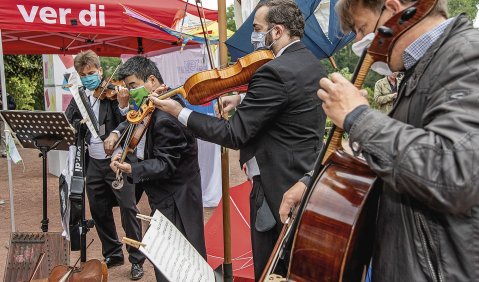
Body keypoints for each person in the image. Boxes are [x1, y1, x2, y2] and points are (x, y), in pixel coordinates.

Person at [280, 0, 479, 280]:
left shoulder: (467, 54)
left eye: (362, 28)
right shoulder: (422, 68)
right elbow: (406, 157)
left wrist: (358, 117)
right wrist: (314, 183)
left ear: (393, 8)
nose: (360, 42)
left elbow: (456, 173)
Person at [149, 0, 328, 279]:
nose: (254, 36)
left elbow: (233, 134)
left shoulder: (273, 71)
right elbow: (289, 103)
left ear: (277, 31)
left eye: (257, 29)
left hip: (273, 186)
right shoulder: (311, 65)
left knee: (270, 270)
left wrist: (180, 112)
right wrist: (242, 97)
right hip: (302, 176)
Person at [106, 56, 206, 282]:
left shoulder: (167, 116)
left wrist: (131, 168)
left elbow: (165, 164)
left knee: (180, 264)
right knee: (168, 262)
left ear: (151, 80)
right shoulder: (155, 102)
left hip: (176, 198)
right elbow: (133, 121)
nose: (130, 93)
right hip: (165, 196)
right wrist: (118, 137)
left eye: (133, 86)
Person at [65, 50, 145, 280]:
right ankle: (113, 253)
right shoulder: (80, 96)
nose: (88, 77)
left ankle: (137, 259)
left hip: (118, 161)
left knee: (129, 210)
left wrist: (122, 105)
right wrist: (75, 125)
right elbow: (69, 120)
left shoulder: (115, 93)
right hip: (95, 163)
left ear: (100, 71)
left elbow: (131, 119)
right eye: (83, 74)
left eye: (91, 73)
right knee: (99, 210)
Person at [0, 92, 16, 157]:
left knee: (3, 135)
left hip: (3, 118)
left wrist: (3, 104)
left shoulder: (7, 95)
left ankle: (3, 151)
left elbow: (13, 106)